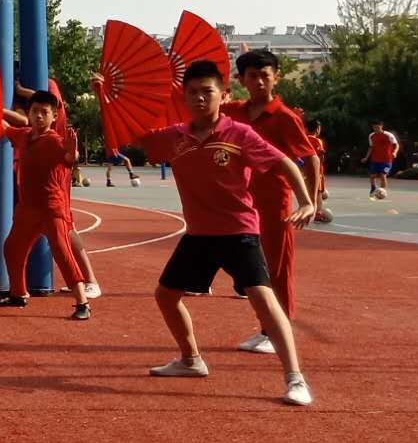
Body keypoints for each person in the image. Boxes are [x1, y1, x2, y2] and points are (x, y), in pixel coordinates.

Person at [117, 60, 317, 407]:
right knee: (166, 296)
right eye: (192, 92)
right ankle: (191, 360)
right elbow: (131, 134)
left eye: (207, 91)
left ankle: (295, 378)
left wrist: (307, 201)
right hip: (198, 235)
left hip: (239, 232)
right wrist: (109, 97)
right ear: (184, 97)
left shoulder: (239, 134)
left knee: (264, 299)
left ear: (223, 95)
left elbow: (285, 162)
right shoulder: (175, 137)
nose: (199, 98)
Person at [222, 50, 323, 353]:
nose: (259, 82)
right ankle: (268, 327)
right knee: (251, 268)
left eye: (265, 75)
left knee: (277, 268)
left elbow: (311, 157)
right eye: (252, 76)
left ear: (276, 77)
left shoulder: (284, 117)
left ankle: (279, 330)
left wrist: (311, 201)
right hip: (241, 203)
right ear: (241, 80)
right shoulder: (234, 112)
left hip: (274, 202)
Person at [0, 89, 91, 323]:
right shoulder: (24, 135)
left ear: (54, 116)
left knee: (62, 253)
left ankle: (83, 302)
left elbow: (68, 158)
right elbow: (5, 128)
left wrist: (72, 152)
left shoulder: (54, 141)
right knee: (12, 248)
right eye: (35, 111)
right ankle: (18, 293)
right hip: (27, 209)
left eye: (45, 112)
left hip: (51, 209)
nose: (39, 116)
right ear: (29, 113)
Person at [366, 121, 399, 200]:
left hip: (387, 160)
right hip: (375, 159)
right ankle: (373, 188)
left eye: (378, 127)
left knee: (383, 175)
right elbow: (371, 147)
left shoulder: (388, 135)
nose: (376, 129)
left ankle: (382, 192)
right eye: (374, 127)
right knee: (372, 176)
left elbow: (396, 145)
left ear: (381, 126)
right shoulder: (371, 135)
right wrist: (366, 157)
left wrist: (395, 152)